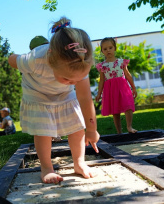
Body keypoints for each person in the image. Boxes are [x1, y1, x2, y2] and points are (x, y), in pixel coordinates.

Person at [8, 17, 100, 184]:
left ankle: (79, 163)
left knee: (77, 126)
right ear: (51, 60)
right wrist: (17, 62)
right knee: (44, 131)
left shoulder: (81, 62)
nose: (73, 82)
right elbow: (12, 59)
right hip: (37, 93)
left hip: (64, 94)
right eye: (67, 78)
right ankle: (47, 167)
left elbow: (85, 98)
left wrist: (92, 129)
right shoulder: (35, 58)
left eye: (76, 80)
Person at [95, 37, 138, 134]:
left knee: (128, 106)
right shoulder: (102, 66)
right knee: (115, 111)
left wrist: (133, 88)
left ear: (115, 48)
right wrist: (99, 94)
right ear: (102, 51)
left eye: (110, 48)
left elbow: (128, 75)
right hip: (110, 90)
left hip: (123, 87)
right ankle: (119, 131)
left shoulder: (121, 62)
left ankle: (129, 126)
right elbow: (101, 80)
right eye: (105, 49)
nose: (108, 50)